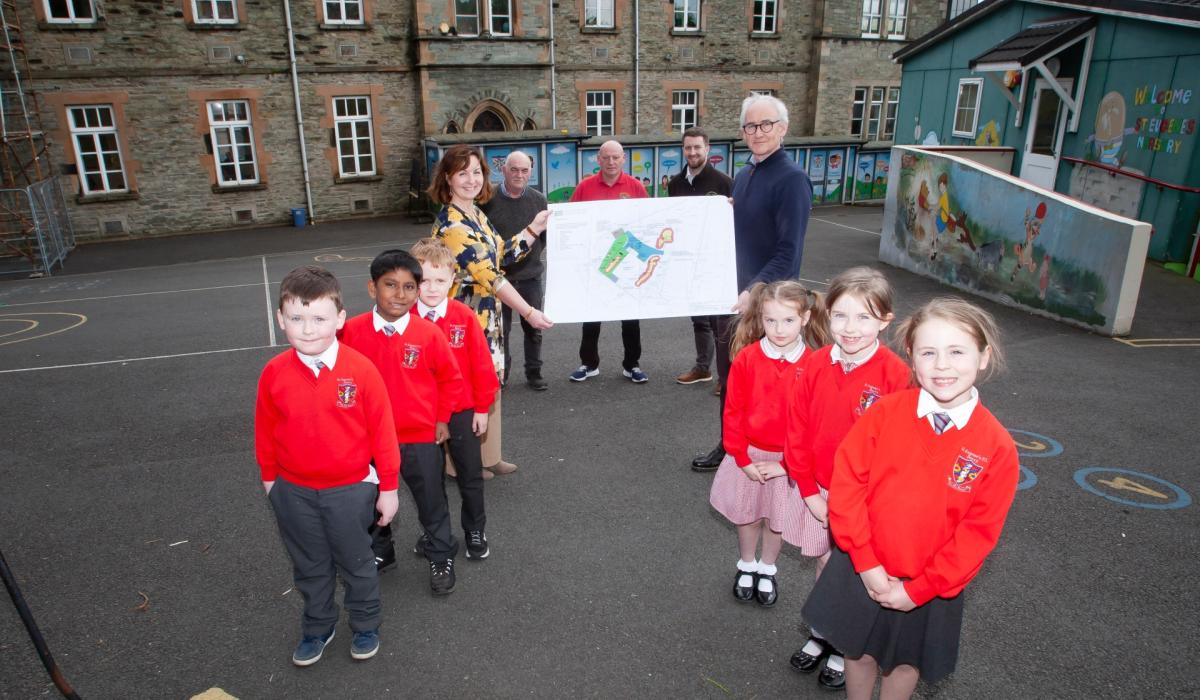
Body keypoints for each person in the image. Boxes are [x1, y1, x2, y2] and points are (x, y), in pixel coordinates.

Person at [801, 298, 1019, 700]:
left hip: (929, 584)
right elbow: (848, 484)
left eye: (957, 352)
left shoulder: (996, 446)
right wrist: (866, 562)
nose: (942, 366)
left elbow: (977, 534)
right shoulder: (885, 413)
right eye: (928, 352)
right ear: (911, 357)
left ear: (984, 356)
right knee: (857, 651)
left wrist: (919, 590)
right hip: (863, 565)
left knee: (904, 662)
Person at [255, 265, 401, 666]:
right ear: (280, 319)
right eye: (296, 318)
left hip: (350, 490)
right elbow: (265, 431)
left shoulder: (361, 370)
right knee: (309, 565)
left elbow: (383, 434)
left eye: (319, 319)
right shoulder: (273, 373)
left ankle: (366, 623)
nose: (307, 329)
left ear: (339, 319)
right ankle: (318, 626)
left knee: (357, 563)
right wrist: (271, 483)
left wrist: (388, 489)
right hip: (294, 492)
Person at [784, 267, 911, 690]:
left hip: (863, 503)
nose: (850, 328)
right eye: (840, 315)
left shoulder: (895, 375)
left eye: (864, 317)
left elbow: (896, 453)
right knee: (825, 564)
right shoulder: (816, 363)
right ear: (827, 315)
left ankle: (844, 645)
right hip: (819, 492)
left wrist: (858, 504)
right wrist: (809, 492)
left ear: (885, 320)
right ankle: (823, 633)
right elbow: (797, 429)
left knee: (853, 573)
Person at [692, 93, 813, 472]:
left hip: (766, 305)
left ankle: (768, 452)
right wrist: (726, 213)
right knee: (732, 381)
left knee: (763, 388)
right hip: (731, 298)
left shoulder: (792, 180)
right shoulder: (745, 176)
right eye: (750, 126)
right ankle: (731, 445)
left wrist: (753, 292)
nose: (757, 132)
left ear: (783, 128)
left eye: (766, 125)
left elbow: (788, 252)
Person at [338, 249, 464, 595]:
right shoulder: (350, 332)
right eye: (390, 285)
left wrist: (442, 418)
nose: (400, 294)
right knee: (371, 501)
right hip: (367, 438)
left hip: (419, 437)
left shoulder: (429, 334)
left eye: (409, 287)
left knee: (431, 500)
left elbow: (450, 380)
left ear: (418, 290)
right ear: (372, 288)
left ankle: (440, 554)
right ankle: (382, 551)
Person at [429, 144, 553, 478]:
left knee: (488, 384)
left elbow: (503, 255)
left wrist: (534, 227)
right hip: (464, 317)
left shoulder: (475, 213)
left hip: (487, 316)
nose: (471, 179)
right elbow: (490, 275)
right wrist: (528, 311)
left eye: (476, 172)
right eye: (462, 173)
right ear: (447, 178)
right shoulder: (453, 224)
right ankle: (458, 465)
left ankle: (489, 456)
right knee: (465, 391)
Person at [707, 280, 830, 608]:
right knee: (747, 515)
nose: (779, 329)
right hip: (748, 456)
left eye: (788, 320)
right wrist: (741, 458)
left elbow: (815, 424)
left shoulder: (815, 364)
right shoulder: (747, 358)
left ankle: (767, 568)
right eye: (770, 320)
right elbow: (733, 411)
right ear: (760, 318)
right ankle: (747, 565)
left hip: (788, 462)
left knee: (777, 519)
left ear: (805, 318)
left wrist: (787, 465)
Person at [411, 238, 498, 560]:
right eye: (423, 280)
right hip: (422, 415)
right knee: (429, 480)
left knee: (470, 475)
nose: (432, 288)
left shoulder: (463, 315)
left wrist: (481, 408)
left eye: (440, 280)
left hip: (462, 410)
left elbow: (481, 365)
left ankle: (475, 529)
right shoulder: (404, 320)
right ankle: (436, 532)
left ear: (452, 280)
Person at [568, 139, 651, 384]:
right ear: (598, 159)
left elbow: (648, 221)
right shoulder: (585, 187)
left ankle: (632, 365)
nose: (611, 162)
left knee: (630, 318)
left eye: (616, 157)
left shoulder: (635, 187)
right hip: (595, 263)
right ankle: (589, 364)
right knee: (591, 316)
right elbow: (571, 219)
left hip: (627, 264)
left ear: (624, 158)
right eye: (606, 157)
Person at [667, 126, 734, 387]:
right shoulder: (675, 184)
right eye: (688, 147)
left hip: (717, 261)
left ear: (707, 148)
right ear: (683, 150)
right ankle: (703, 368)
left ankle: (726, 377)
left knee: (720, 322)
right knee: (699, 319)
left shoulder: (724, 182)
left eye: (697, 147)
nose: (692, 152)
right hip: (689, 261)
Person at [479, 151, 550, 392]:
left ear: (531, 172)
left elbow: (544, 236)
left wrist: (532, 258)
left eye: (524, 170)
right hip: (499, 279)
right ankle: (503, 374)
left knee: (534, 328)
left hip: (530, 277)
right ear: (504, 170)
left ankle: (534, 373)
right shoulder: (487, 200)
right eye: (514, 169)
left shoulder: (539, 200)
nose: (519, 174)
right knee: (501, 331)